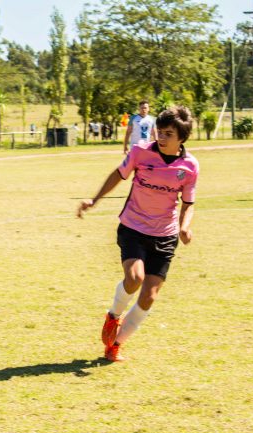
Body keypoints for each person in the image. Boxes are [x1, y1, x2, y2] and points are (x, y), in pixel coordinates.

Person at [77, 106, 198, 362]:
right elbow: (118, 175)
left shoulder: (189, 166)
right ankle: (113, 316)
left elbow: (188, 203)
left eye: (168, 134)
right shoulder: (140, 152)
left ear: (182, 138)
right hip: (133, 227)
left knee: (149, 296)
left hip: (165, 235)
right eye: (159, 132)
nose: (161, 137)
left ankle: (115, 345)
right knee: (134, 278)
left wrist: (185, 227)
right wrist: (94, 200)